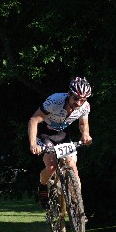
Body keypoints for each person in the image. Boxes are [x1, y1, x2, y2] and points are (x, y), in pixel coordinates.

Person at [28, 77, 92, 208]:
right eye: (76, 98)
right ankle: (43, 187)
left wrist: (85, 134)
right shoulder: (55, 100)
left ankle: (78, 208)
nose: (79, 103)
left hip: (62, 135)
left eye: (83, 99)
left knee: (72, 166)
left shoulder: (85, 106)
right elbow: (34, 120)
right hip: (45, 133)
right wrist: (33, 144)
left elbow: (83, 124)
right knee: (51, 166)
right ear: (69, 94)